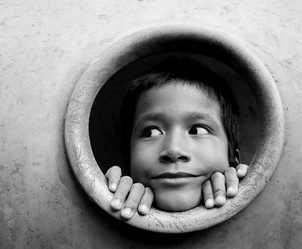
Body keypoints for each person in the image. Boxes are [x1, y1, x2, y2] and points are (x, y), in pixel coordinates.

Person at [105, 58, 248, 219]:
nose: (174, 150)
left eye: (197, 130)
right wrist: (105, 196)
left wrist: (250, 190)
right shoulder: (107, 203)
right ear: (128, 158)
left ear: (233, 159)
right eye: (152, 132)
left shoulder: (256, 214)